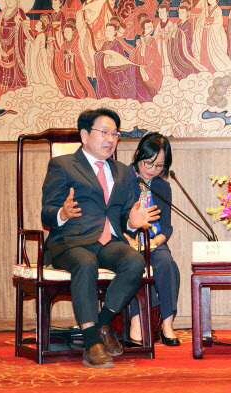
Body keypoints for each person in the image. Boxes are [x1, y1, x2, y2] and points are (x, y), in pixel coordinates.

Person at [41, 108, 160, 368]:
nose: (110, 139)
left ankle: (103, 323)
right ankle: (91, 342)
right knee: (86, 264)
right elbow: (47, 212)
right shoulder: (62, 165)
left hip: (108, 241)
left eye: (115, 134)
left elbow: (126, 214)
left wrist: (132, 221)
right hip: (71, 241)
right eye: (104, 132)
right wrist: (62, 212)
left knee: (134, 262)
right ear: (84, 135)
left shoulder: (122, 171)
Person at [127, 133, 181, 347]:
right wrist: (129, 241)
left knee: (167, 264)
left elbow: (166, 227)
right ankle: (137, 321)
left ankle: (167, 324)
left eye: (159, 166)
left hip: (154, 241)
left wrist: (153, 243)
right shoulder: (124, 179)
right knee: (132, 265)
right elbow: (112, 218)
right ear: (138, 155)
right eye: (148, 163)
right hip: (127, 241)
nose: (152, 170)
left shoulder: (162, 186)